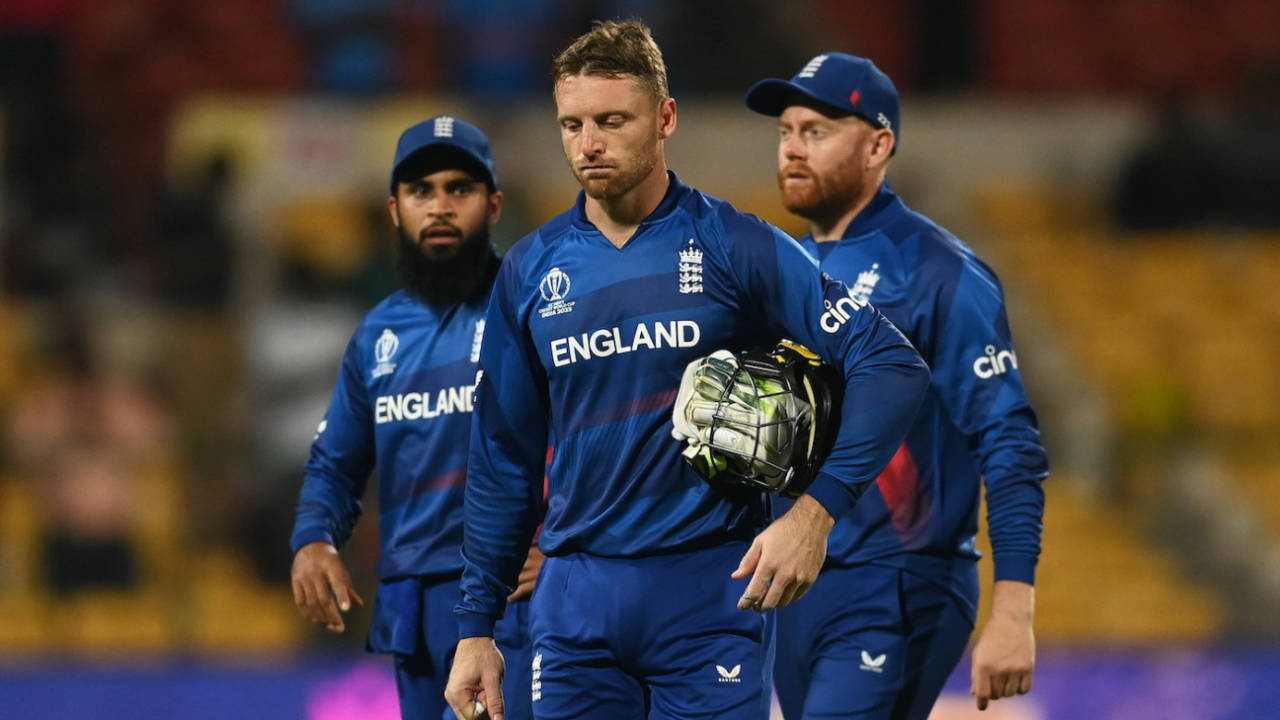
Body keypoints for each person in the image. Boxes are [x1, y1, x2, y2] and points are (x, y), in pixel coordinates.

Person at [445, 21, 932, 720]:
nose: (589, 144)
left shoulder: (734, 245)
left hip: (708, 594)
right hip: (574, 606)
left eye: (613, 120)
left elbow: (891, 362)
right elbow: (501, 459)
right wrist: (475, 629)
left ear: (665, 117)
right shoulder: (529, 270)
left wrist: (815, 515)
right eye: (572, 124)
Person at [745, 53, 1050, 718]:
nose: (793, 149)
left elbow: (1009, 442)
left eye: (817, 132)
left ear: (880, 144)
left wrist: (1014, 609)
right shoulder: (785, 273)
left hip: (898, 581)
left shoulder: (938, 272)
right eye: (785, 132)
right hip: (798, 589)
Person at [289, 115, 541, 720]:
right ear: (395, 210)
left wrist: (562, 544)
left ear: (495, 203)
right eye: (421, 191)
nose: (441, 206)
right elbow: (336, 462)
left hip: (513, 602)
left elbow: (593, 441)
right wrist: (314, 539)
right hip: (410, 608)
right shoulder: (377, 334)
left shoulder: (533, 306)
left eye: (461, 188)